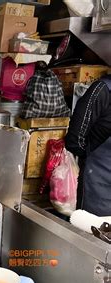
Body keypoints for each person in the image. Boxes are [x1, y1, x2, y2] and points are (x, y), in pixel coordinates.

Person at [65, 74, 111, 216]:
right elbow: (74, 141)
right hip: (99, 185)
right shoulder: (102, 90)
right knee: (93, 234)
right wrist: (90, 158)